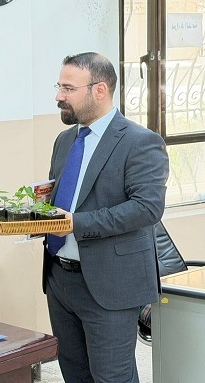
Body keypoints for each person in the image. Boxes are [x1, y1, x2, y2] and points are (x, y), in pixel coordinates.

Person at [42, 52, 169, 382]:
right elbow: (63, 198)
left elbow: (147, 208)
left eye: (68, 88)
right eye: (59, 87)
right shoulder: (64, 141)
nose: (59, 96)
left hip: (111, 284)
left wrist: (76, 224)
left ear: (99, 90)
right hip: (59, 281)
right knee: (75, 374)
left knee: (112, 377)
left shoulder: (141, 142)